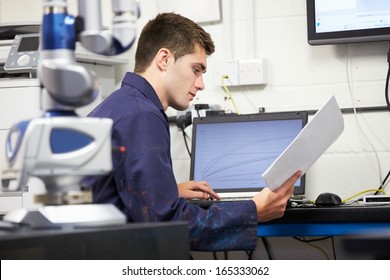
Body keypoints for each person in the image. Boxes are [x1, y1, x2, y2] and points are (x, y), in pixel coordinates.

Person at [86, 12, 301, 251]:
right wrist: (253, 210)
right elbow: (166, 224)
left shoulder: (122, 104)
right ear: (164, 59)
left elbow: (112, 195)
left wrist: (168, 193)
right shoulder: (142, 115)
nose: (201, 84)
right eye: (196, 69)